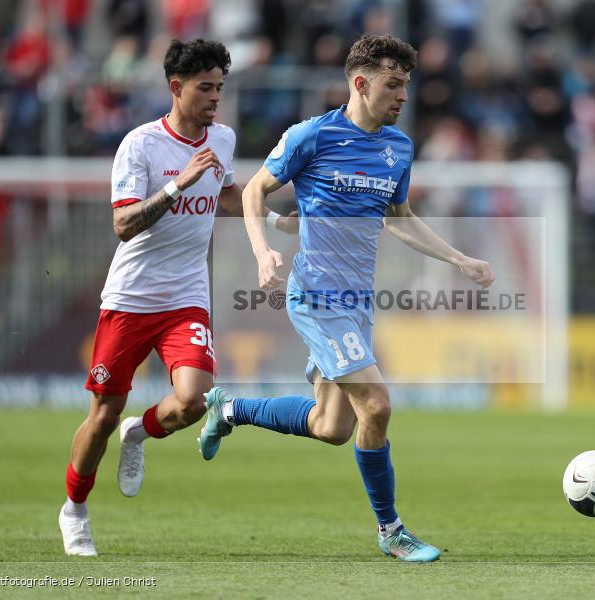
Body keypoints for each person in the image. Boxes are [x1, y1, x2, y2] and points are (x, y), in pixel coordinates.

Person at [197, 33, 494, 562]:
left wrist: (459, 260)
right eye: (394, 85)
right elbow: (253, 191)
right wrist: (263, 251)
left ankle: (231, 407)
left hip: (358, 304)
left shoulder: (397, 148)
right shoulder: (311, 136)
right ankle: (391, 530)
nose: (403, 96)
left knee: (331, 427)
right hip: (315, 297)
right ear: (361, 83)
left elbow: (398, 218)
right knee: (377, 406)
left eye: (406, 84)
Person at [58, 38, 295, 556]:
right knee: (100, 414)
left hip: (187, 294)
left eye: (220, 88)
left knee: (192, 401)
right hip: (131, 296)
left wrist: (276, 220)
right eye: (205, 88)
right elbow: (122, 224)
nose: (215, 98)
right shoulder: (140, 145)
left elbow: (227, 193)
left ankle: (137, 435)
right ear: (175, 88)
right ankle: (75, 509)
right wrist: (176, 187)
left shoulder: (224, 138)